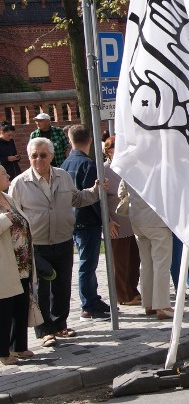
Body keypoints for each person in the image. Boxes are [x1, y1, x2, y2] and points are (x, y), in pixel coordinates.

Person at [9, 137, 100, 347]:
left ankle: (60, 324)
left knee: (62, 286)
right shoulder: (20, 183)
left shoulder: (63, 176)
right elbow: (13, 215)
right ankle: (44, 331)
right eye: (34, 156)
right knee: (41, 289)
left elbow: (77, 199)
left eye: (43, 155)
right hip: (37, 244)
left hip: (63, 239)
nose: (38, 159)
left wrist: (96, 190)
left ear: (51, 156)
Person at [61, 125, 113, 320]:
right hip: (88, 221)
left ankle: (92, 297)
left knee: (87, 263)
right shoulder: (89, 165)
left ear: (70, 140)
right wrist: (105, 219)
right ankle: (88, 305)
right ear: (90, 140)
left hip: (73, 219)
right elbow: (94, 197)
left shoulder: (65, 164)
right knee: (88, 264)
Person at [118, 180, 173, 319]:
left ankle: (148, 304)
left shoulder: (131, 161)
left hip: (137, 218)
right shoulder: (157, 163)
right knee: (161, 264)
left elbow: (121, 192)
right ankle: (162, 305)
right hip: (157, 220)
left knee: (146, 263)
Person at [0, 166, 34, 365]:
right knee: (4, 308)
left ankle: (19, 346)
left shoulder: (8, 197)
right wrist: (5, 219)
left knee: (21, 304)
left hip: (22, 262)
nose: (8, 176)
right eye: (4, 174)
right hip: (5, 264)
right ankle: (3, 352)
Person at [103, 137, 140, 306]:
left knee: (134, 259)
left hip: (133, 220)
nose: (116, 152)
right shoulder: (104, 170)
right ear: (107, 151)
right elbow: (100, 199)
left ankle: (132, 289)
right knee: (120, 261)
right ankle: (122, 295)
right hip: (116, 223)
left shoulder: (129, 167)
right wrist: (108, 221)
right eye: (112, 149)